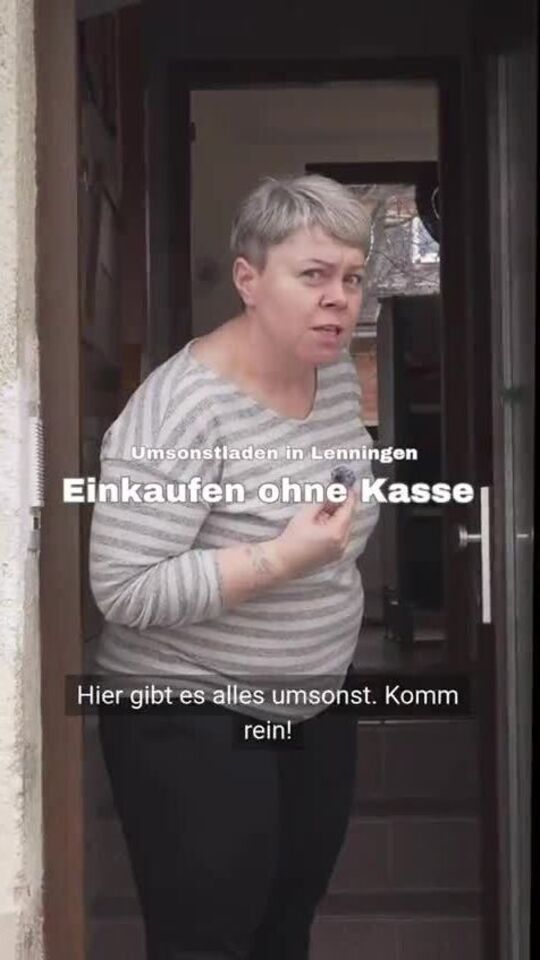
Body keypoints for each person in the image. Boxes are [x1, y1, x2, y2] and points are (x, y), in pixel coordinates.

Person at [89, 173, 380, 959]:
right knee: (208, 938)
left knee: (286, 924)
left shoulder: (334, 376)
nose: (339, 298)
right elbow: (124, 588)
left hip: (314, 701)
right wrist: (281, 558)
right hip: (191, 710)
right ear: (248, 280)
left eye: (352, 277)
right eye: (313, 274)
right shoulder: (184, 407)